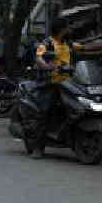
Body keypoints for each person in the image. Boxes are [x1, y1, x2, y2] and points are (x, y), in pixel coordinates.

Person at [29, 17, 86, 158]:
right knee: (45, 112)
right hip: (50, 83)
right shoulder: (46, 43)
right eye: (67, 27)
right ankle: (38, 147)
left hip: (68, 83)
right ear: (61, 30)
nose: (70, 30)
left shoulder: (68, 43)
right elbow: (39, 57)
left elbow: (82, 47)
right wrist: (47, 66)